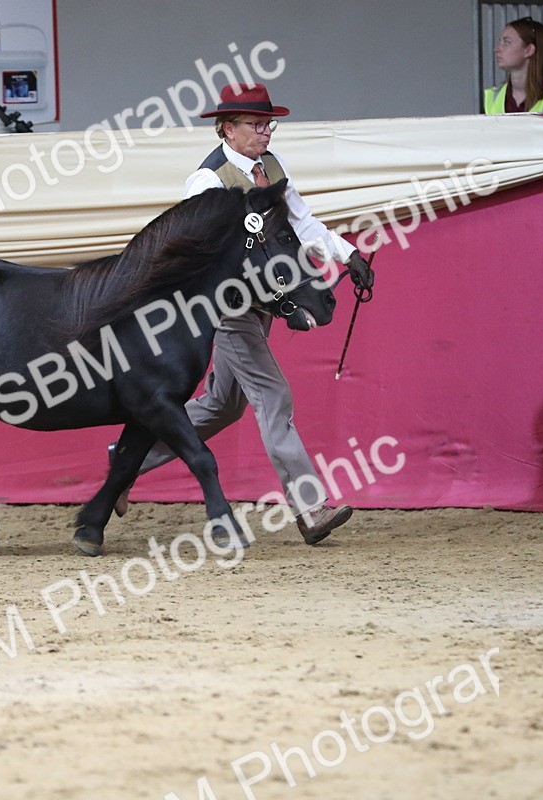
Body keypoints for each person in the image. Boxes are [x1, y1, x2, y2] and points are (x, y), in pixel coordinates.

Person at [109, 83, 374, 546]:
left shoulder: (271, 167)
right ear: (227, 129)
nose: (266, 132)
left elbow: (301, 223)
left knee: (221, 405)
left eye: (268, 124)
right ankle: (310, 508)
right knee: (274, 398)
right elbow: (195, 254)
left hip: (265, 302)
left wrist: (347, 255)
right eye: (256, 125)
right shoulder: (207, 183)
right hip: (228, 307)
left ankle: (127, 457)